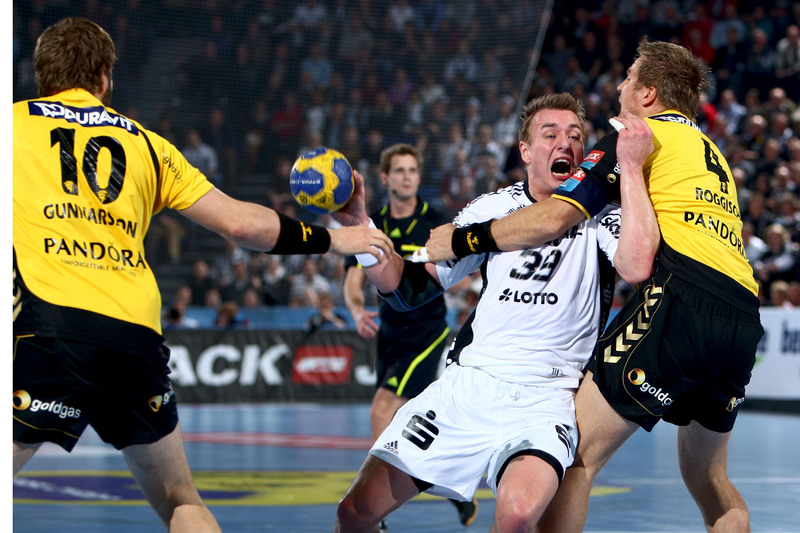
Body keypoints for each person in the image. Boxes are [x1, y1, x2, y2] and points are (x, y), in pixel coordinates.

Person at [12, 17, 393, 533]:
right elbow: (239, 223)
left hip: (49, 325)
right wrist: (333, 239)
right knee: (179, 499)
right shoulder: (148, 144)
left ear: (42, 77)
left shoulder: (13, 123)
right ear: (103, 79)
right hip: (134, 335)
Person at [419, 39, 764, 533]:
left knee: (572, 455)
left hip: (681, 302)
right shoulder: (709, 152)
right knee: (708, 476)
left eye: (629, 77)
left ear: (648, 93)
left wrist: (463, 239)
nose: (619, 86)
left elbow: (553, 217)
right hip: (743, 319)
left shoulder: (636, 135)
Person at [334, 93, 648, 533]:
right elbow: (408, 290)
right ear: (525, 151)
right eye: (550, 134)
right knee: (353, 513)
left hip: (546, 397)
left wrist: (630, 173)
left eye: (575, 136)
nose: (565, 143)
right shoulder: (491, 209)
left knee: (517, 516)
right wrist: (361, 228)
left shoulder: (602, 215)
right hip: (468, 387)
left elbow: (637, 266)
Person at [342, 143, 477, 528]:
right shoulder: (373, 224)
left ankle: (374, 517)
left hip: (426, 332)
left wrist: (441, 279)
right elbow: (353, 280)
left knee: (382, 410)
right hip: (389, 335)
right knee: (416, 424)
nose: (407, 177)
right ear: (385, 178)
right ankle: (457, 498)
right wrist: (356, 310)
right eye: (399, 170)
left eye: (413, 171)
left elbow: (459, 272)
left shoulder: (434, 221)